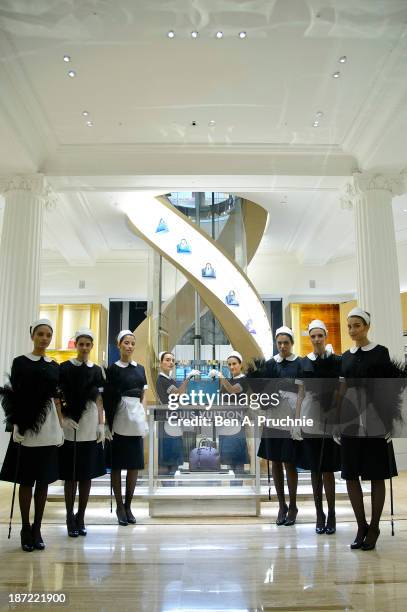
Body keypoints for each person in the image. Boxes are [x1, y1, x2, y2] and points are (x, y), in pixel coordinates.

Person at [0, 319, 64, 552]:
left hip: (48, 424)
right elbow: (13, 394)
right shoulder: (20, 362)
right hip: (27, 422)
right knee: (26, 479)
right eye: (40, 334)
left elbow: (57, 398)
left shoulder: (54, 365)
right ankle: (25, 527)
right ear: (32, 335)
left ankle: (37, 527)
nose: (44, 338)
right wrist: (15, 423)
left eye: (48, 334)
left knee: (44, 479)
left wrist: (61, 424)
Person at [338, 307, 398, 551]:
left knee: (376, 474)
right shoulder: (345, 357)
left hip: (374, 420)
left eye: (357, 325)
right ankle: (361, 525)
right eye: (349, 326)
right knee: (351, 474)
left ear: (367, 326)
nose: (352, 330)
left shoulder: (380, 353)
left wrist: (389, 421)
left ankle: (374, 526)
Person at [58, 328, 106, 538]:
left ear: (92, 346)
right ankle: (69, 516)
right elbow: (57, 396)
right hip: (71, 424)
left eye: (88, 344)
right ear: (76, 345)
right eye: (81, 344)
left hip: (89, 422)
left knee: (86, 474)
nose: (84, 348)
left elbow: (99, 399)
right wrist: (63, 419)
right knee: (71, 475)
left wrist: (101, 424)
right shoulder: (65, 368)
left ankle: (81, 516)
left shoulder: (96, 370)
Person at [296, 320, 341, 535]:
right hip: (309, 419)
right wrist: (297, 420)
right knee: (315, 469)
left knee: (328, 470)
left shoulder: (335, 361)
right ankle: (319, 513)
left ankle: (332, 513)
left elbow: (340, 392)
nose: (316, 339)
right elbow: (301, 394)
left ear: (325, 336)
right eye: (312, 336)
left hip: (329, 420)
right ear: (309, 338)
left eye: (319, 336)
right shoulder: (304, 362)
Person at [257, 326, 303, 526]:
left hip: (290, 417)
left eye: (286, 342)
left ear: (291, 343)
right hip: (273, 417)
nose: (282, 346)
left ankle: (293, 505)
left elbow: (302, 392)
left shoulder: (299, 363)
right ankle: (281, 505)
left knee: (289, 462)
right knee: (275, 461)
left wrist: (298, 419)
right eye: (279, 343)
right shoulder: (269, 364)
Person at [103, 330, 148, 526]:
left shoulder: (140, 368)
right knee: (117, 465)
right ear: (118, 345)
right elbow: (108, 398)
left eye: (132, 343)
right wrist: (107, 422)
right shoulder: (113, 369)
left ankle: (129, 505)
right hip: (119, 418)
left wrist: (142, 415)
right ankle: (119, 506)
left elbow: (144, 395)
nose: (129, 346)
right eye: (125, 343)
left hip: (136, 419)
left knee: (133, 465)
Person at [156, 352, 200, 477]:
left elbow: (179, 397)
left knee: (174, 456)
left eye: (172, 360)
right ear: (161, 363)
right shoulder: (162, 380)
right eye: (167, 360)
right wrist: (188, 377)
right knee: (167, 457)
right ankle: (165, 485)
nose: (171, 362)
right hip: (167, 422)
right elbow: (178, 393)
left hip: (175, 421)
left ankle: (172, 483)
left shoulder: (170, 380)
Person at [209, 351, 250, 477]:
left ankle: (238, 488)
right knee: (229, 459)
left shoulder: (244, 380)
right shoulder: (228, 380)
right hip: (225, 422)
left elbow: (233, 391)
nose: (232, 367)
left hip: (237, 422)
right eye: (229, 364)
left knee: (238, 459)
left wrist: (221, 376)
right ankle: (234, 487)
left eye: (234, 364)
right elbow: (222, 397)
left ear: (240, 364)